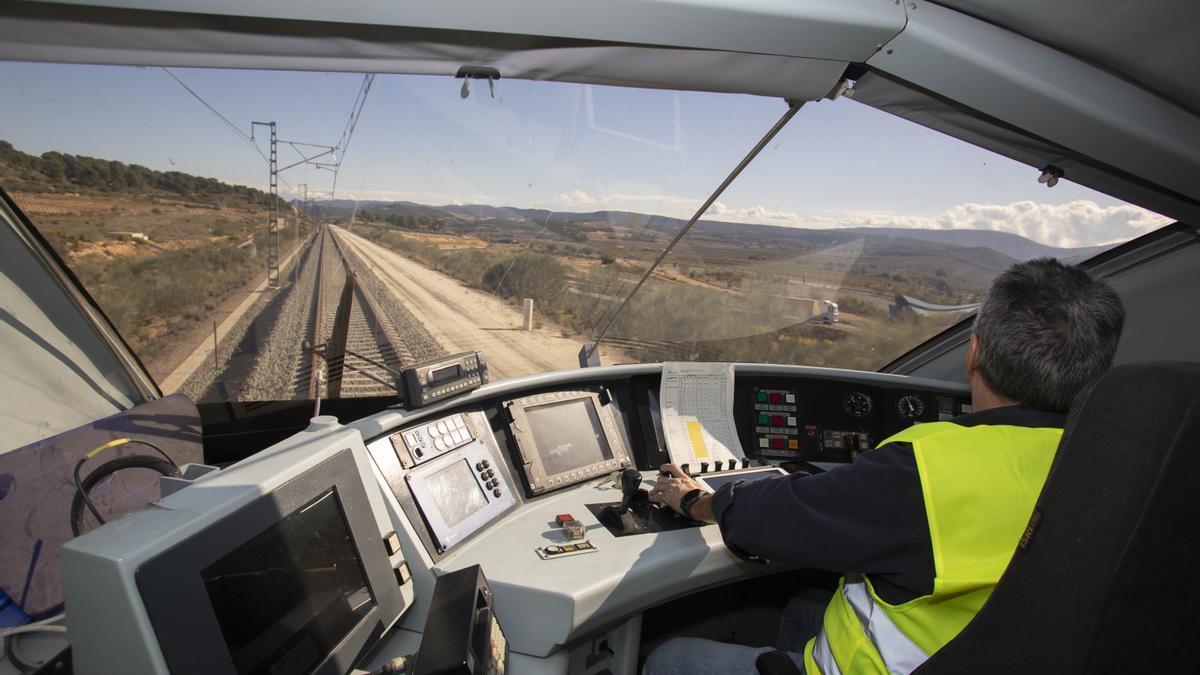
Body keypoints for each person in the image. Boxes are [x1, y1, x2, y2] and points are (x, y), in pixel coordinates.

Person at [644, 258, 1126, 675]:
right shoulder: (1116, 467)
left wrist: (696, 499)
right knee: (805, 605)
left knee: (669, 658)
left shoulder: (929, 466)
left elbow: (768, 521)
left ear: (974, 352)